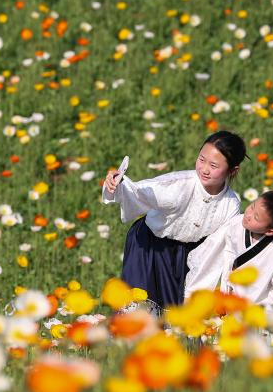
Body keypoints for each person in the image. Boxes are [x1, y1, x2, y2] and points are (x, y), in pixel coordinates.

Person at [102, 130, 247, 308]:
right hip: (148, 247)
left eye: (214, 166)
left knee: (175, 315)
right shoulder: (180, 184)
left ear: (233, 170)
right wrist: (118, 185)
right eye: (201, 159)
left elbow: (216, 250)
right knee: (138, 308)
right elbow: (145, 192)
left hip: (188, 256)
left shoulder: (230, 205)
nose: (204, 169)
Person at [184, 190, 273, 307]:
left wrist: (266, 314)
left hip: (254, 306)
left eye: (256, 217)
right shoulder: (235, 224)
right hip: (228, 296)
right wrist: (193, 291)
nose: (248, 215)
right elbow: (211, 252)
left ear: (270, 231)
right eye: (252, 206)